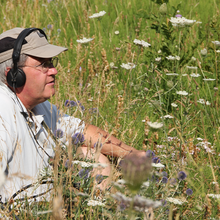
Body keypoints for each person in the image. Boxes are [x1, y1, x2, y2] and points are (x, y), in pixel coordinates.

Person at [0, 27, 146, 203]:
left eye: (52, 62)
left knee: (92, 157)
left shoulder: (39, 106)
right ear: (14, 75)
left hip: (46, 207)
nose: (53, 71)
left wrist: (132, 154)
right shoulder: (3, 112)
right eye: (43, 65)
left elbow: (81, 131)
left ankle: (100, 210)